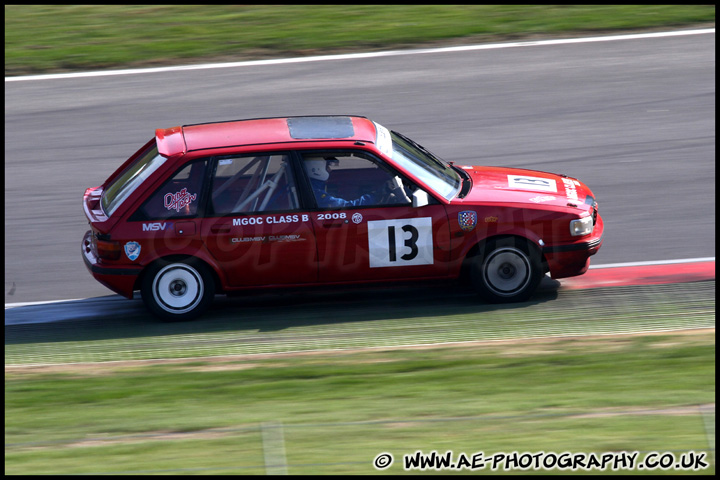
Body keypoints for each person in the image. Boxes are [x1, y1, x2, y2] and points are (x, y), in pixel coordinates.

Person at [304, 157, 381, 208]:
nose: (330, 170)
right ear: (316, 169)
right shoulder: (316, 193)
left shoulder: (313, 186)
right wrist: (374, 197)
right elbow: (346, 207)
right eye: (327, 167)